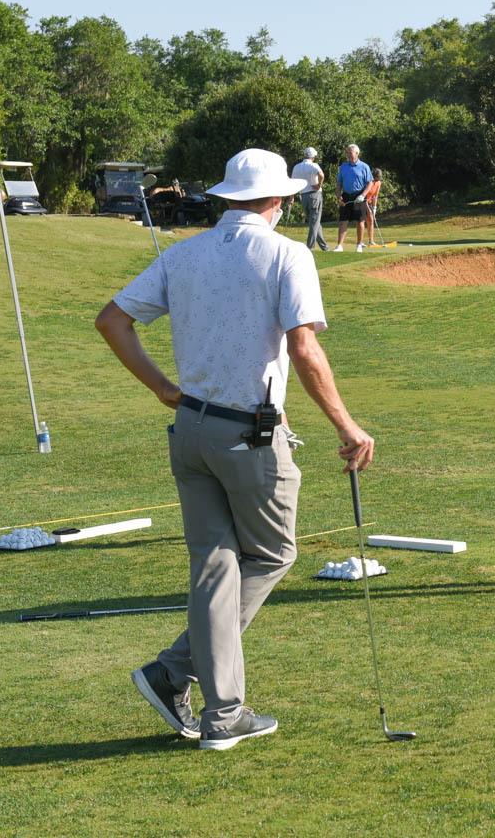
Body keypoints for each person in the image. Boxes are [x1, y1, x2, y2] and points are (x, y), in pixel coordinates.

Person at [95, 148, 375, 749]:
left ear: (226, 197)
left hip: (190, 429)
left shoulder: (184, 253)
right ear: (279, 200)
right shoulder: (287, 254)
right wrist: (347, 426)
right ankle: (190, 688)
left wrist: (164, 389)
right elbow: (304, 349)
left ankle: (206, 701)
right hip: (249, 432)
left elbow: (112, 321)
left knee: (215, 566)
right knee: (271, 555)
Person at [332, 144, 370, 252]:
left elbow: (369, 183)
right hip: (346, 195)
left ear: (356, 153)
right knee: (343, 221)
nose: (348, 154)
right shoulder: (343, 166)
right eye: (347, 152)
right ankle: (339, 246)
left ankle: (359, 245)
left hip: (359, 196)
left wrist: (363, 195)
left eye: (350, 152)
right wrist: (338, 196)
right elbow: (339, 183)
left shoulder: (364, 166)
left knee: (360, 221)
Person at [292, 148, 328, 251]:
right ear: (313, 157)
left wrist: (291, 197)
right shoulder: (313, 165)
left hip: (303, 196)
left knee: (314, 222)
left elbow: (293, 182)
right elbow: (321, 175)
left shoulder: (297, 167)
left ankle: (324, 247)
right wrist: (319, 185)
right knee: (314, 222)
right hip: (314, 195)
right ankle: (310, 247)